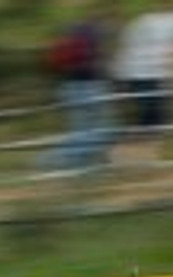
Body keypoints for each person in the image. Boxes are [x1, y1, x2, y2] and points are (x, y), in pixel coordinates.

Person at [112, 0, 173, 162]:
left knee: (143, 122)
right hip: (156, 76)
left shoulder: (142, 20)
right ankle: (137, 162)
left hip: (130, 76)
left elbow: (125, 50)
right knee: (157, 125)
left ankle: (126, 159)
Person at [42, 1, 119, 171]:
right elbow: (101, 63)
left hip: (69, 87)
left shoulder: (72, 29)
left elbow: (59, 60)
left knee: (80, 129)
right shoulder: (97, 33)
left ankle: (85, 163)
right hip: (91, 86)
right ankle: (56, 161)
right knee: (103, 127)